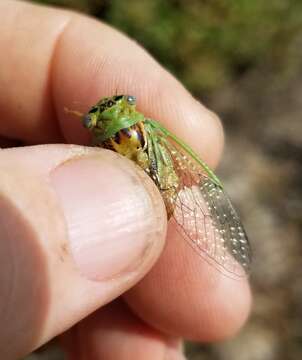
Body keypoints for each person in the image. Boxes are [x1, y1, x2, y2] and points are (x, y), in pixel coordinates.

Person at [0, 1, 251, 359]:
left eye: (124, 102)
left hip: (157, 188)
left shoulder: (103, 137)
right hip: (148, 190)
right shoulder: (147, 123)